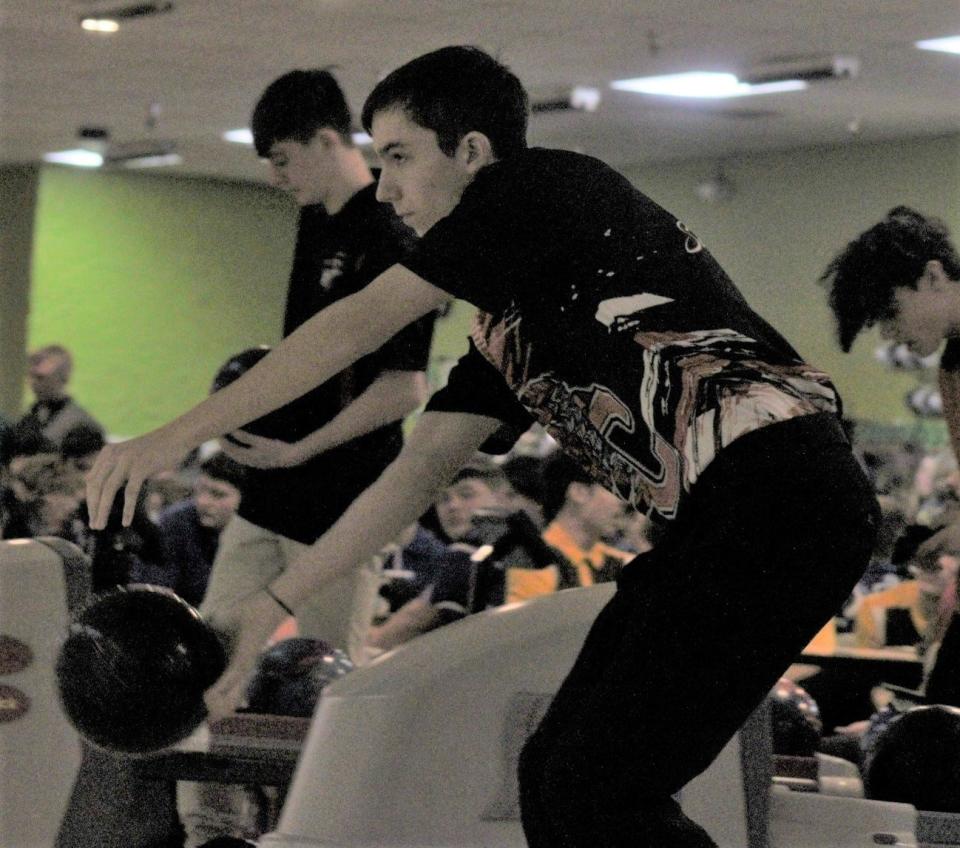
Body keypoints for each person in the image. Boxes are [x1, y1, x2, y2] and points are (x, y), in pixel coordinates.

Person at [88, 46, 878, 848]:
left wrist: (171, 438)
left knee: (596, 786)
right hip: (725, 525)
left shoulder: (548, 186)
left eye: (399, 156)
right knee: (553, 777)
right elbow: (414, 474)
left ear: (471, 152)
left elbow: (365, 317)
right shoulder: (507, 330)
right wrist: (267, 610)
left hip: (784, 496)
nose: (386, 187)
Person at [196, 69, 435, 663]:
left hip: (343, 499)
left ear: (329, 140)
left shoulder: (391, 231)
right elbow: (303, 358)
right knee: (212, 647)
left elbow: (404, 388)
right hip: (271, 483)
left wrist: (302, 449)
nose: (275, 178)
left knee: (327, 672)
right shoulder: (314, 219)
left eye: (282, 160)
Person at [505, 452, 630, 604]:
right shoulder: (531, 564)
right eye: (615, 489)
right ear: (579, 492)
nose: (624, 502)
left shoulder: (622, 562)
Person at [131, 452, 246, 608]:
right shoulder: (175, 523)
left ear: (246, 499)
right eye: (200, 490)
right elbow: (155, 593)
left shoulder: (261, 534)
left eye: (218, 495)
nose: (203, 501)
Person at [13, 345, 104, 450]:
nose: (33, 383)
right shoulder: (32, 416)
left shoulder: (80, 423)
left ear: (62, 377)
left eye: (41, 378)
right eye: (31, 375)